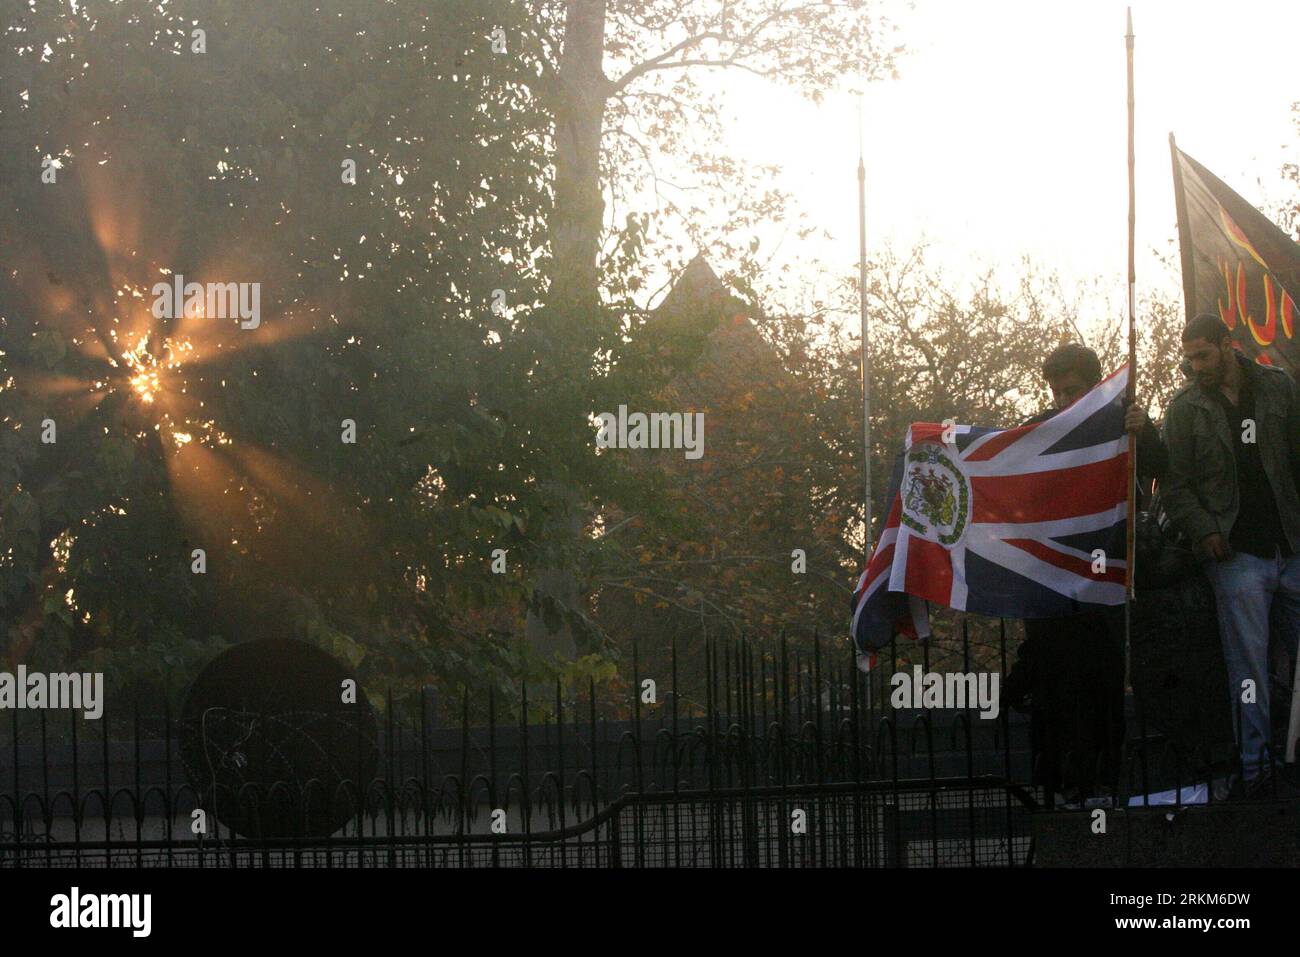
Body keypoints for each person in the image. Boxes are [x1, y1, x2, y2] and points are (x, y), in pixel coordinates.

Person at [1005, 343, 1165, 805]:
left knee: (1102, 681)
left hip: (1105, 577)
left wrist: (1145, 434)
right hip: (1049, 581)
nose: (1062, 401)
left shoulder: (1122, 422)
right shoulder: (1038, 430)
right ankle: (1060, 783)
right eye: (1056, 392)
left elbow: (1162, 470)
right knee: (1053, 682)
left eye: (1072, 391)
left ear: (1094, 387)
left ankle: (1102, 782)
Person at [1161, 313, 1300, 796]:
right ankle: (1256, 771)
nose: (1195, 365)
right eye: (1189, 356)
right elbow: (1174, 487)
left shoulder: (1278, 389)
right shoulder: (1184, 409)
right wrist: (1205, 532)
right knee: (1249, 670)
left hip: (1291, 543)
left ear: (1228, 345)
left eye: (1203, 354)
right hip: (1236, 553)